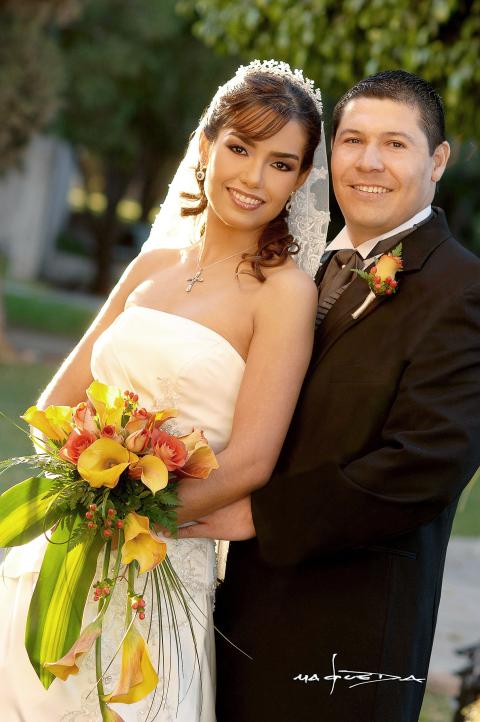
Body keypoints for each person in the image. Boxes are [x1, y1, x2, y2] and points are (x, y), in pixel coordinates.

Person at [0, 61, 329, 721]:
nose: (253, 178)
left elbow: (252, 460)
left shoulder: (286, 293)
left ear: (300, 179)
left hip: (156, 569)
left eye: (281, 163)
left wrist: (132, 521)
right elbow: (58, 404)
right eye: (240, 148)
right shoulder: (152, 267)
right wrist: (86, 493)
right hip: (60, 555)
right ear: (207, 145)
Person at [177, 70, 480, 722]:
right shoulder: (293, 268)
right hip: (219, 621)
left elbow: (423, 465)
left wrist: (258, 515)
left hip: (343, 647)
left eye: (395, 144)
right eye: (352, 140)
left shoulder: (463, 289)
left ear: (438, 160)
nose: (368, 162)